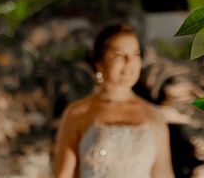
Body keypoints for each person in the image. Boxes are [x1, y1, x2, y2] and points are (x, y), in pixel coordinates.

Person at [54, 23, 175, 178]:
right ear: (99, 62)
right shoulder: (78, 113)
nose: (129, 62)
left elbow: (163, 174)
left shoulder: (153, 115)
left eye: (135, 54)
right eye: (119, 55)